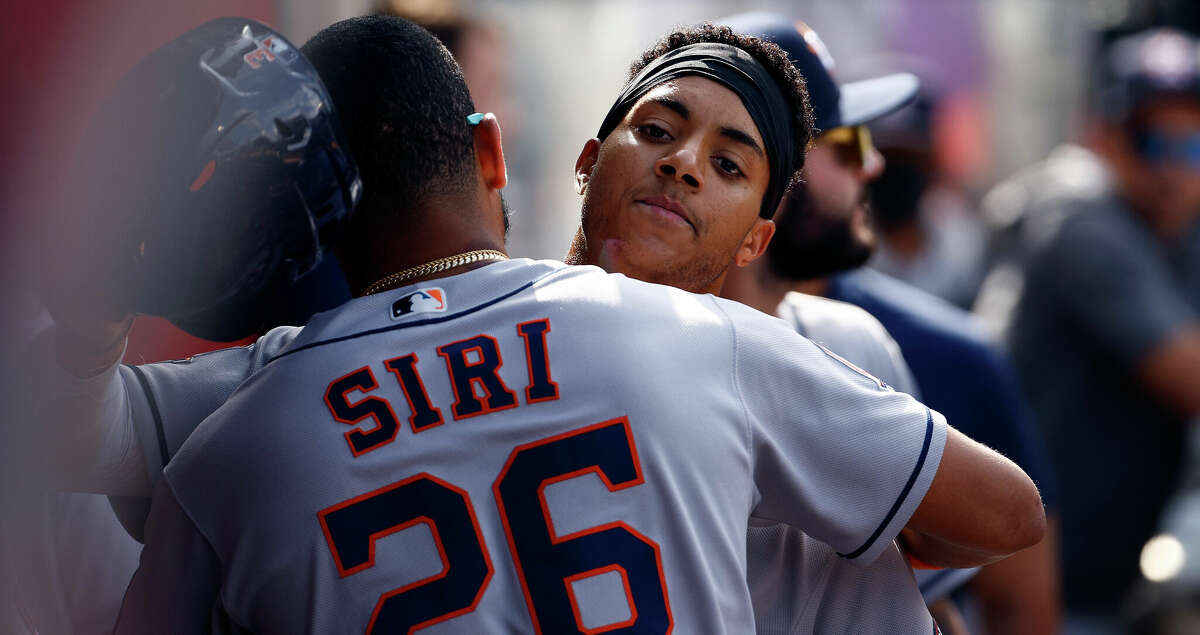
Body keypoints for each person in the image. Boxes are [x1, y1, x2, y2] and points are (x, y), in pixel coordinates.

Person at [40, 16, 1044, 633]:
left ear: (759, 234)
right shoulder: (265, 397)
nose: (683, 162)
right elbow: (74, 434)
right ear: (577, 157)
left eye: (730, 162)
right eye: (654, 130)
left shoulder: (823, 350)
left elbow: (997, 529)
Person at [716, 13, 1062, 635]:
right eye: (847, 146)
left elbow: (951, 600)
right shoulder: (647, 341)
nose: (871, 168)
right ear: (760, 168)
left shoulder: (860, 339)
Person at [1004, 27, 1200, 632]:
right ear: (1103, 138)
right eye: (1149, 141)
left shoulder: (1176, 236)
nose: (1171, 167)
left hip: (1112, 589)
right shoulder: (1081, 222)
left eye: (1190, 146)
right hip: (1049, 599)